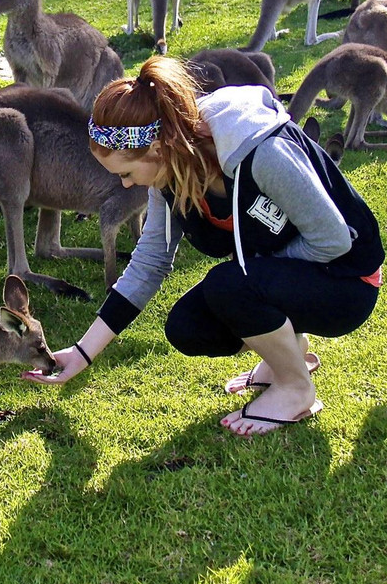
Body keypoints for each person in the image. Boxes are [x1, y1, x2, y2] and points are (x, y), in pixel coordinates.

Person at [23, 56, 383, 436]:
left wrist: (258, 278)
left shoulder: (260, 153)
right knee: (188, 326)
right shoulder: (170, 172)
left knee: (228, 285)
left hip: (348, 279)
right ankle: (287, 353)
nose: (127, 185)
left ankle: (296, 389)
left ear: (158, 149)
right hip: (290, 274)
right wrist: (82, 353)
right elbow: (149, 263)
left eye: (127, 174)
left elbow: (333, 241)